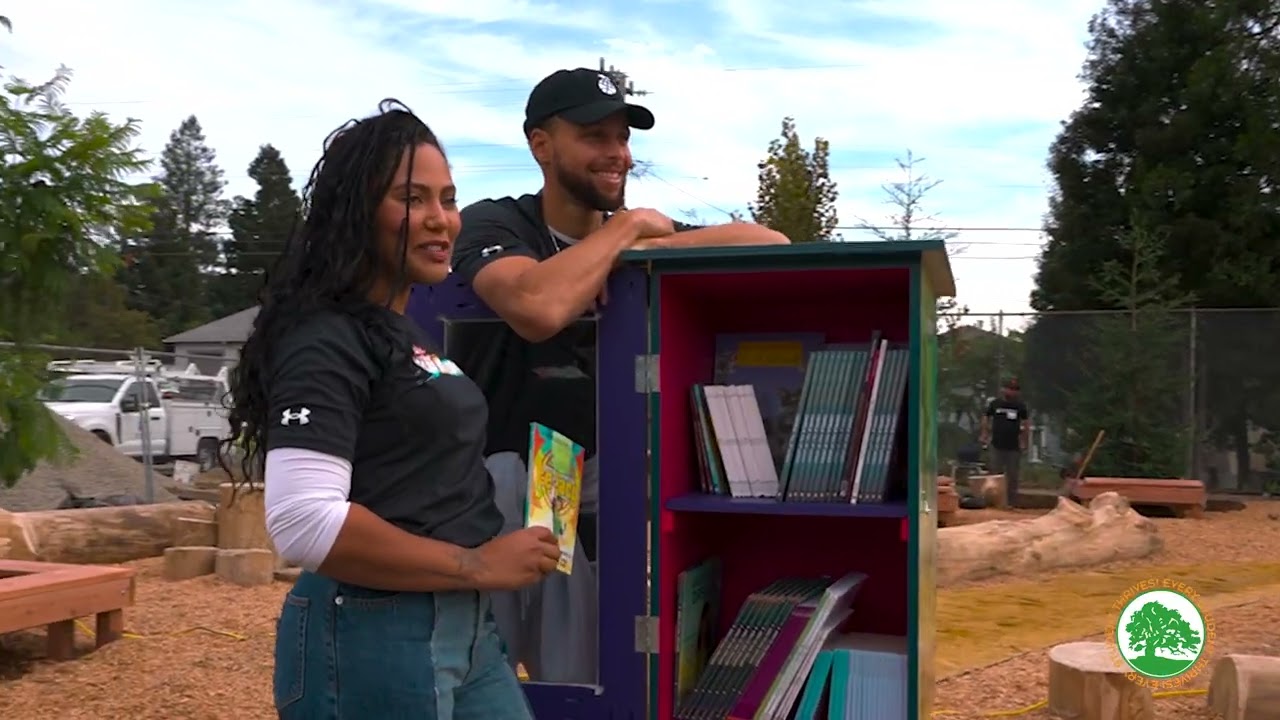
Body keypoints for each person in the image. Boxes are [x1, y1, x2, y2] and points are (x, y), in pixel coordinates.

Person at [220, 100, 561, 719]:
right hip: (373, 631)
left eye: (449, 199)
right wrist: (476, 562)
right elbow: (302, 521)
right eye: (412, 200)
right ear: (357, 214)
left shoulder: (405, 332)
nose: (441, 221)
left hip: (464, 623)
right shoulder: (324, 336)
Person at [447, 67, 789, 685]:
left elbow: (769, 240)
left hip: (593, 483)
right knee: (492, 667)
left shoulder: (631, 237)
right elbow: (537, 307)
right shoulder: (498, 223)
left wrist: (626, 255)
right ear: (541, 145)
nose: (616, 155)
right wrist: (627, 229)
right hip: (499, 484)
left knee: (586, 660)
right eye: (594, 136)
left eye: (622, 138)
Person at [980, 377, 1030, 506]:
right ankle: (995, 501)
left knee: (1013, 476)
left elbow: (1026, 424)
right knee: (995, 474)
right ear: (1003, 389)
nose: (1011, 392)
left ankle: (1011, 502)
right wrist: (985, 433)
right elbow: (986, 417)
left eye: (1015, 389)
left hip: (1013, 446)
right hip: (997, 444)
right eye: (1009, 388)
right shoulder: (995, 404)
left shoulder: (1020, 406)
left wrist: (1024, 441)